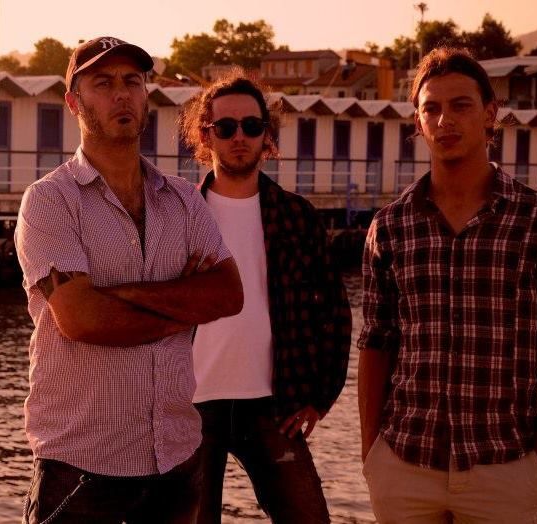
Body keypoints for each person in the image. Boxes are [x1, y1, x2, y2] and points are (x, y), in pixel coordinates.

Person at [15, 36, 244, 523]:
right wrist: (181, 309)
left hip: (176, 460)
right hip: (81, 467)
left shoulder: (184, 200)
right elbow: (82, 320)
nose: (121, 94)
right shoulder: (50, 201)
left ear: (145, 95)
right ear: (73, 102)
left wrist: (122, 296)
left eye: (132, 82)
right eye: (103, 83)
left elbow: (228, 293)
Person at [358, 47, 537, 523]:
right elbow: (376, 342)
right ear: (418, 122)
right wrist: (371, 456)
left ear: (489, 114)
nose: (445, 120)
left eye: (461, 105)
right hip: (403, 464)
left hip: (503, 468)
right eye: (432, 109)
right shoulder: (391, 226)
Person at [179, 72, 351, 523]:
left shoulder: (297, 216)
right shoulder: (181, 216)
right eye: (226, 127)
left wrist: (320, 398)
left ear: (266, 135)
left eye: (252, 126)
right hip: (190, 405)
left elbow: (335, 313)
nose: (239, 137)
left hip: (275, 403)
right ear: (205, 136)